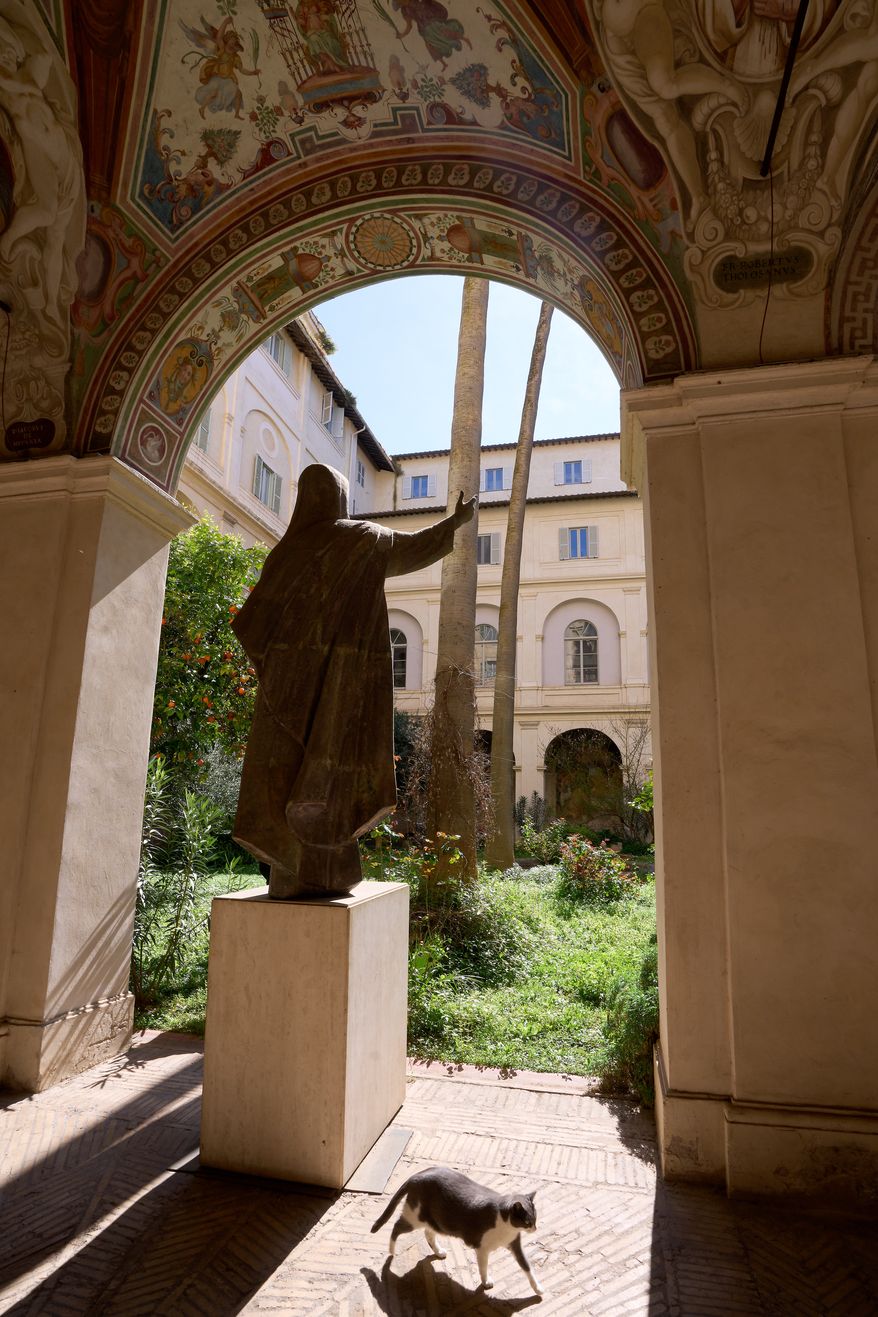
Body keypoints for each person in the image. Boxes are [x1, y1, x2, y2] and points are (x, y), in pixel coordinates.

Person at [232, 462, 475, 898]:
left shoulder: (285, 553)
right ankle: (323, 870)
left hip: (287, 689)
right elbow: (410, 548)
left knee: (292, 768)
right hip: (338, 684)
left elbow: (250, 626)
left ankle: (296, 873)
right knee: (331, 765)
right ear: (340, 497)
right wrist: (454, 522)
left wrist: (281, 667)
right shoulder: (359, 538)